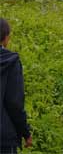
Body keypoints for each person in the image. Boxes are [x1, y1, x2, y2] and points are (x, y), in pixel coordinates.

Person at [0, 18, 32, 154]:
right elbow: (14, 103)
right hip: (3, 138)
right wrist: (25, 132)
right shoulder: (11, 61)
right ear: (6, 37)